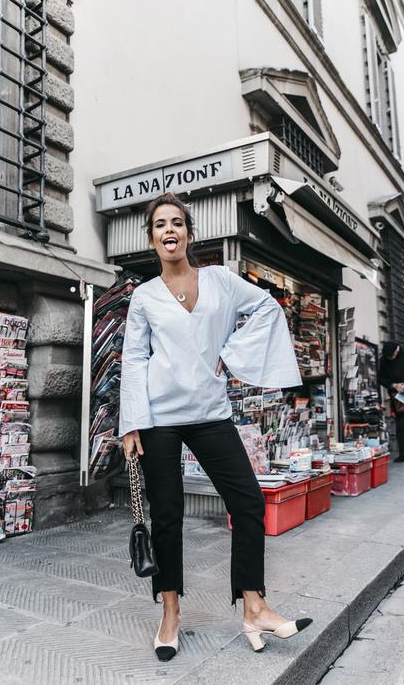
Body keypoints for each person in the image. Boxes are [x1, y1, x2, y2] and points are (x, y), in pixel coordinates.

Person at [119, 192, 312, 661]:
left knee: (247, 503)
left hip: (211, 414)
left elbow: (267, 308)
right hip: (161, 420)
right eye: (161, 224)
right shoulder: (144, 297)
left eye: (178, 223)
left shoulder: (222, 281)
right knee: (167, 517)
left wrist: (231, 355)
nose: (170, 230)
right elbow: (135, 360)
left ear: (188, 233)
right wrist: (131, 426)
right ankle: (170, 611)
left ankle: (254, 605)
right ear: (152, 238)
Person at [379, 341, 404, 463]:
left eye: (392, 356)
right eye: (388, 357)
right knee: (400, 427)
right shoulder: (384, 360)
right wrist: (394, 385)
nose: (390, 359)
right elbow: (381, 378)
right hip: (397, 396)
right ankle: (403, 454)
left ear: (396, 350)